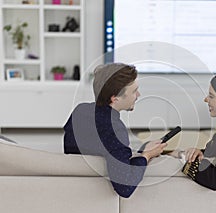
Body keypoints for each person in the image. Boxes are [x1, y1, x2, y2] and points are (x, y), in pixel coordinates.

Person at [63, 63, 167, 198]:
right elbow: (125, 188)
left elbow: (107, 150)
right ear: (115, 98)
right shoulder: (115, 129)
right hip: (97, 199)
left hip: (73, 190)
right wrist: (147, 156)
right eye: (134, 91)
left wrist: (141, 151)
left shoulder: (79, 111)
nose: (138, 95)